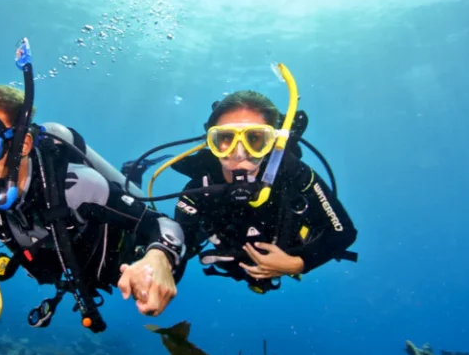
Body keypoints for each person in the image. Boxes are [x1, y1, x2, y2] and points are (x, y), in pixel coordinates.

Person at [0, 41, 185, 332]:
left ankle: (133, 174)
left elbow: (161, 223)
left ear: (23, 144)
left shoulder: (79, 187)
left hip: (120, 255)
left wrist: (159, 257)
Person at [123, 63, 357, 295]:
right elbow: (180, 237)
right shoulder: (201, 187)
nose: (239, 152)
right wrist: (158, 260)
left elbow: (343, 231)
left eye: (254, 139)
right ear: (210, 143)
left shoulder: (294, 174)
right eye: (225, 139)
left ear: (273, 143)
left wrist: (299, 263)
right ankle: (132, 177)